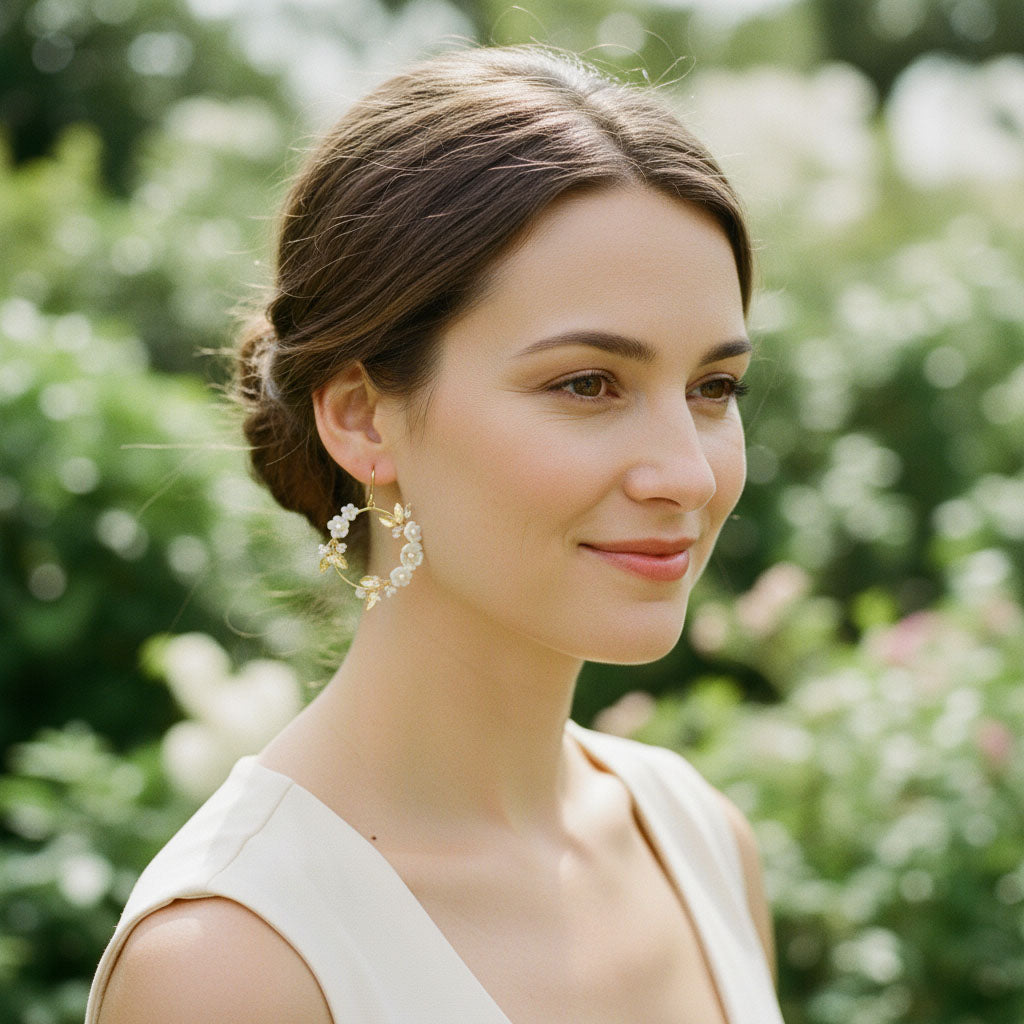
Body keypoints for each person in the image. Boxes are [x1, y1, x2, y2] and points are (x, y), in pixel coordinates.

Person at [87, 44, 783, 1024]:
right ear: (363, 417)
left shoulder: (699, 840)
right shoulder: (230, 965)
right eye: (587, 383)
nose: (687, 473)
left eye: (713, 388)